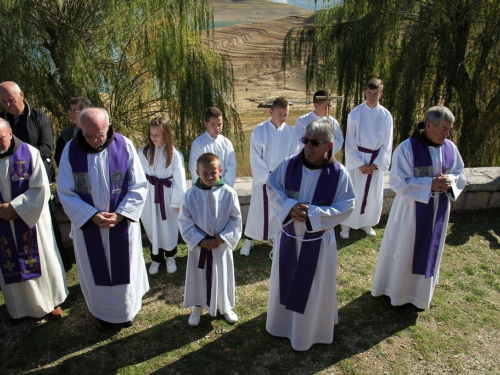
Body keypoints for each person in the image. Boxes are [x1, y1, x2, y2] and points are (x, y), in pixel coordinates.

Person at [266, 119, 355, 351]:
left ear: (330, 145)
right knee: (287, 279)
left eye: (315, 142)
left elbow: (347, 206)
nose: (308, 145)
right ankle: (281, 325)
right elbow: (272, 187)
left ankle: (309, 330)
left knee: (314, 286)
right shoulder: (289, 165)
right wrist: (288, 206)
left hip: (317, 240)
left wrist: (314, 214)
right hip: (289, 236)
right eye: (306, 140)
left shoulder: (339, 174)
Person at [57, 108, 149, 330]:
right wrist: (91, 216)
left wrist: (120, 214)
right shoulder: (71, 151)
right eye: (88, 135)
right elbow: (65, 191)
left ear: (108, 126)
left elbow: (139, 185)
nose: (95, 140)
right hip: (90, 227)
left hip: (121, 225)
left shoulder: (124, 145)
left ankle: (127, 312)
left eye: (100, 134)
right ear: (80, 129)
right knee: (94, 271)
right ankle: (102, 314)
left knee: (125, 270)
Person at [371, 106, 465, 311]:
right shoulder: (406, 148)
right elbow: (397, 181)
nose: (447, 134)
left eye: (450, 129)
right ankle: (396, 291)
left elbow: (460, 173)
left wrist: (450, 180)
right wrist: (428, 184)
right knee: (405, 250)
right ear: (429, 125)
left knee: (432, 246)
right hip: (411, 211)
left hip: (439, 209)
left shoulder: (450, 148)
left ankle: (421, 295)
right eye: (444, 129)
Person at [0, 118, 68, 319]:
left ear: (10, 133)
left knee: (41, 259)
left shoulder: (29, 153)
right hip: (3, 223)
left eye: (0, 138)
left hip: (32, 222)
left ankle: (50, 303)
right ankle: (19, 308)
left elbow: (41, 189)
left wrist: (15, 207)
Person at [179, 153, 242, 326]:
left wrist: (222, 238)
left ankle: (225, 306)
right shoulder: (191, 195)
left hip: (220, 245)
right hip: (200, 247)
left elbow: (235, 219)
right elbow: (185, 221)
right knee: (199, 277)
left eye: (213, 173)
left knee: (222, 275)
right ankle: (198, 306)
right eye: (204, 173)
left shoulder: (229, 193)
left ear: (220, 171)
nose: (209, 177)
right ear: (197, 172)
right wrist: (199, 240)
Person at [240, 97, 300, 256]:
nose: (283, 117)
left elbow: (293, 157)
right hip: (263, 179)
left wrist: (282, 177)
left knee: (276, 211)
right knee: (257, 210)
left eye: (286, 114)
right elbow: (255, 156)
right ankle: (249, 239)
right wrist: (266, 176)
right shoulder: (259, 130)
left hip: (281, 180)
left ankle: (274, 238)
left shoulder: (291, 132)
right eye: (280, 114)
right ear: (271, 112)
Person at [340, 78, 393, 239]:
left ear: (380, 95)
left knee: (371, 194)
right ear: (365, 93)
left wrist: (377, 164)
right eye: (369, 93)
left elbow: (387, 142)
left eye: (375, 94)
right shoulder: (355, 113)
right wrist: (359, 163)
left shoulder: (386, 115)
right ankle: (346, 224)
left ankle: (366, 223)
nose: (371, 97)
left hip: (375, 159)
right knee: (353, 192)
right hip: (358, 158)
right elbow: (350, 141)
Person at [139, 116, 186, 275]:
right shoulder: (143, 152)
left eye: (157, 134)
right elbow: (137, 176)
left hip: (167, 195)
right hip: (150, 195)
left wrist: (178, 203)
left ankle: (170, 257)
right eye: (151, 134)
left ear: (166, 134)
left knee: (168, 226)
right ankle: (155, 258)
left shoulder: (174, 155)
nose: (153, 137)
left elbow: (180, 181)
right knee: (153, 226)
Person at [0, 81, 55, 183]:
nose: (7, 104)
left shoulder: (38, 116)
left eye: (11, 100)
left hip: (38, 169)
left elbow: (46, 147)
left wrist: (22, 159)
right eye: (3, 101)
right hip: (8, 173)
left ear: (21, 95)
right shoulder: (1, 121)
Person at [189, 107, 237, 187]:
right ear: (206, 124)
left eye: (219, 124)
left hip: (223, 187)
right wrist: (204, 185)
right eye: (213, 124)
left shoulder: (227, 143)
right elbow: (194, 167)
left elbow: (231, 165)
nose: (217, 128)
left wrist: (225, 185)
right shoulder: (198, 143)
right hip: (203, 188)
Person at [294, 90, 344, 155]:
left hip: (327, 158)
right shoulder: (302, 121)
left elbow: (339, 140)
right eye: (326, 106)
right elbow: (298, 142)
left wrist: (325, 150)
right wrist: (316, 149)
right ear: (316, 105)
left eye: (330, 106)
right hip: (307, 158)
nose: (329, 109)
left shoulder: (333, 122)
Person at [54, 97, 92, 167]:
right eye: (71, 111)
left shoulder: (98, 135)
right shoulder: (65, 138)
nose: (71, 115)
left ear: (85, 112)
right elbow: (59, 161)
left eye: (74, 111)